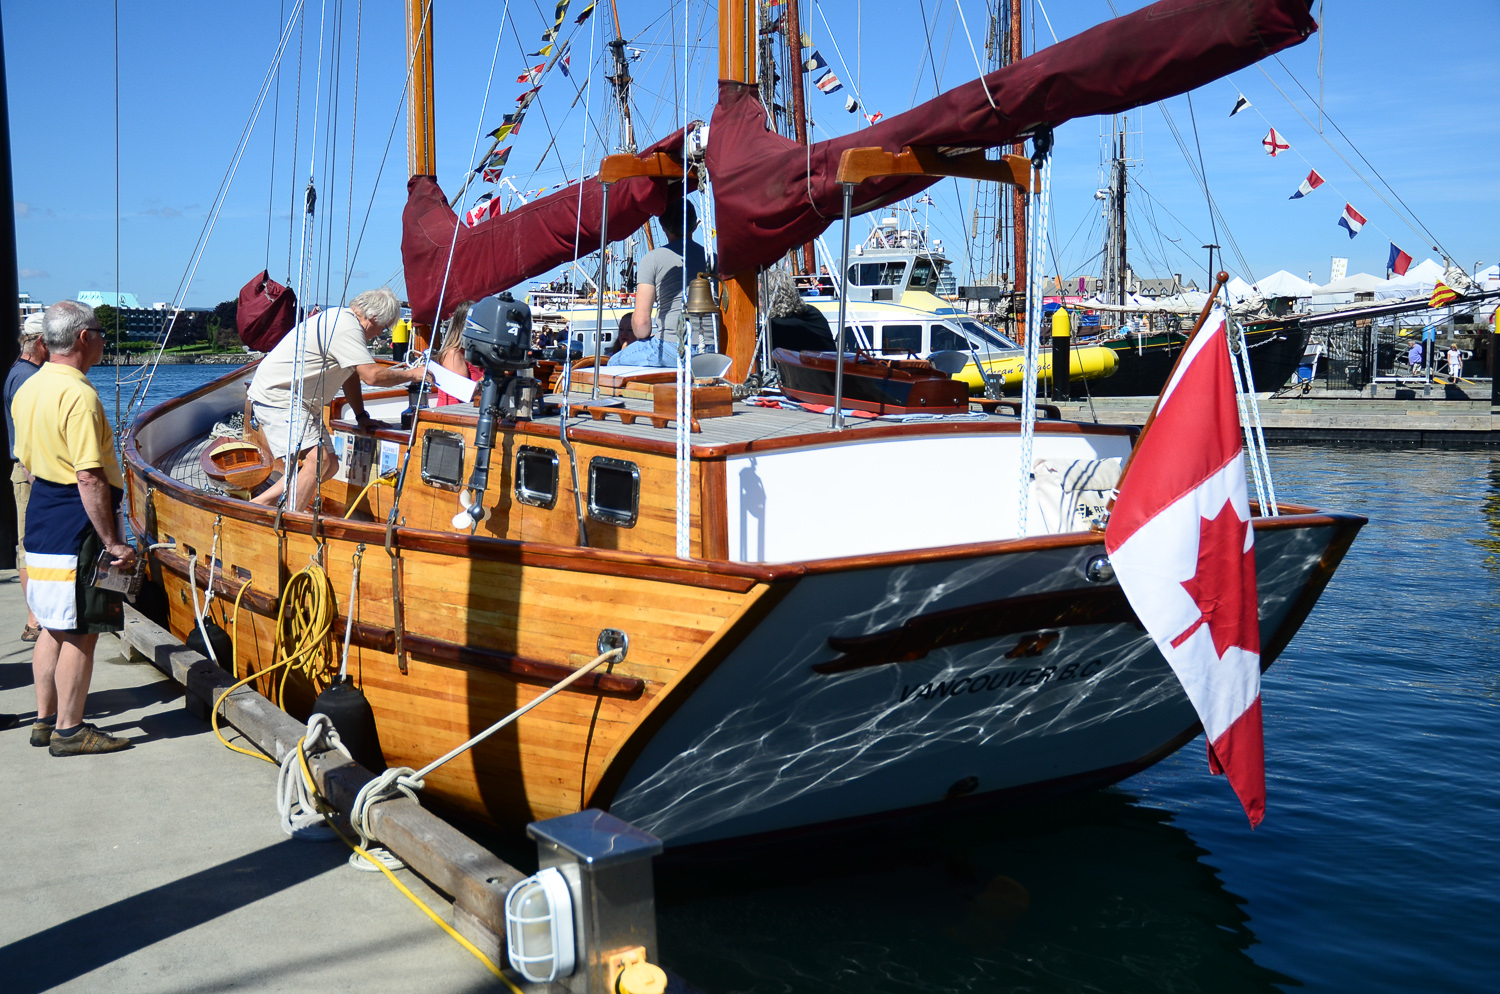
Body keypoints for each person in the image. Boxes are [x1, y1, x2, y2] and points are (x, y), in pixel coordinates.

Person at [11, 301, 135, 755]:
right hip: (76, 522)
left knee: (50, 625)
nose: (104, 340)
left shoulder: (30, 387)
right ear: (84, 338)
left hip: (43, 513)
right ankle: (70, 729)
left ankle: (45, 719)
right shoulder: (79, 395)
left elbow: (26, 462)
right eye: (101, 332)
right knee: (83, 627)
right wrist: (112, 542)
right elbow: (89, 475)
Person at [247, 288, 427, 510]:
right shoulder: (346, 327)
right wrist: (414, 374)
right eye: (384, 327)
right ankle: (290, 520)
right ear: (373, 317)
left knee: (330, 465)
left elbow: (350, 375)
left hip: (297, 401)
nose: (381, 333)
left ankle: (260, 504)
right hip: (279, 396)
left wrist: (361, 416)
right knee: (319, 461)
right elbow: (371, 376)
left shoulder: (343, 322)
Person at [6, 312, 48, 641]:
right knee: (29, 544)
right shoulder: (26, 378)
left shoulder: (21, 373)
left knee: (30, 542)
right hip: (29, 473)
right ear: (41, 342)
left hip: (27, 471)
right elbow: (27, 435)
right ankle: (35, 620)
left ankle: (38, 616)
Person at [629, 193, 708, 367]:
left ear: (663, 226)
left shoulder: (652, 259)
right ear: (695, 226)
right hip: (710, 348)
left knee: (612, 364)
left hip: (673, 348)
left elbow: (641, 327)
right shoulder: (713, 259)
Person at [765, 269, 836, 352]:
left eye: (759, 297)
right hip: (829, 359)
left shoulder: (775, 326)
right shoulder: (814, 313)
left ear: (769, 298)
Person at [433, 302, 481, 406]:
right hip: (452, 413)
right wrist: (492, 375)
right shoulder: (453, 354)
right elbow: (464, 394)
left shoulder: (477, 354)